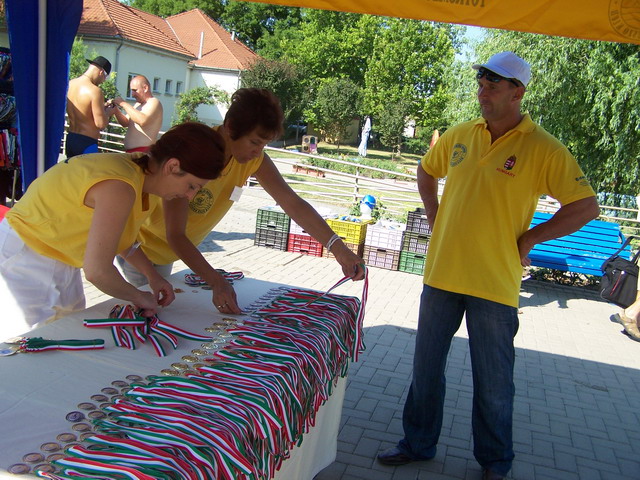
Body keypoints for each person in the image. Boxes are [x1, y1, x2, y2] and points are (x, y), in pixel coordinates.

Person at [376, 51, 600, 480]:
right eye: (481, 84)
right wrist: (435, 214)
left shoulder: (544, 149)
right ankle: (417, 444)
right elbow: (426, 171)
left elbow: (585, 206)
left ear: (518, 92)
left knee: (494, 383)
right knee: (426, 371)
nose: (482, 93)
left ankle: (496, 463)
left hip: (495, 283)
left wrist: (530, 238)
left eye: (493, 86)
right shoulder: (461, 134)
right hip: (442, 274)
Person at [120, 88, 365, 314]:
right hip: (137, 249)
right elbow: (175, 234)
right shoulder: (195, 152)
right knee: (143, 319)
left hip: (169, 256)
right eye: (254, 142)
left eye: (264, 144)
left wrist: (338, 248)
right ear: (230, 127)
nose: (258, 152)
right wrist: (216, 281)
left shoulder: (252, 160)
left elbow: (292, 202)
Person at [0, 122, 226, 341]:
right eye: (192, 186)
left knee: (66, 330)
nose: (190, 197)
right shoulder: (121, 186)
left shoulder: (139, 177)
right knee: (27, 343)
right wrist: (138, 296)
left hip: (59, 257)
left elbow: (122, 239)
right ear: (172, 166)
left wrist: (152, 276)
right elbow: (97, 272)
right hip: (25, 257)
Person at [65, 56, 117, 158]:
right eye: (105, 77)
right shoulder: (95, 91)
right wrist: (108, 113)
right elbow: (100, 124)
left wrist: (102, 108)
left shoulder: (70, 84)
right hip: (87, 142)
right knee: (90, 169)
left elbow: (83, 110)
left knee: (73, 168)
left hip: (71, 138)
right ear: (101, 72)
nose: (103, 81)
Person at [111, 75, 163, 153]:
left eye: (135, 90)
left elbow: (142, 121)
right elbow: (125, 122)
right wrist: (115, 110)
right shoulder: (138, 104)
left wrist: (123, 104)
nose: (132, 94)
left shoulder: (154, 102)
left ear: (145, 88)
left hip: (143, 152)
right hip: (132, 152)